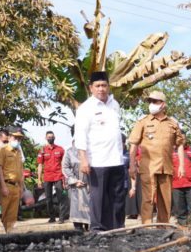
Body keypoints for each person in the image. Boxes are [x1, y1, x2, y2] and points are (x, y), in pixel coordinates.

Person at [74, 71, 126, 232]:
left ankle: (117, 228)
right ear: (91, 88)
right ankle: (97, 229)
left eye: (104, 85)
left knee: (117, 197)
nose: (101, 89)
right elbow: (80, 136)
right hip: (97, 161)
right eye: (97, 86)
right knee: (98, 197)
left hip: (116, 159)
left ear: (108, 87)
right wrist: (83, 159)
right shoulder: (85, 108)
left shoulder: (114, 104)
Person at [128, 90, 185, 225]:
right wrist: (131, 165)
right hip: (148, 167)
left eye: (154, 101)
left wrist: (182, 165)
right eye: (150, 102)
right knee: (147, 198)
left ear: (163, 104)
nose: (151, 104)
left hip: (166, 167)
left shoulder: (172, 123)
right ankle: (146, 228)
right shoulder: (142, 121)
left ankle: (163, 227)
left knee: (166, 200)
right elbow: (134, 144)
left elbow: (180, 144)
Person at [0, 127, 25, 232]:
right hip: (6, 185)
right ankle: (0, 235)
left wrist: (21, 187)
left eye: (19, 138)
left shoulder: (18, 152)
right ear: (9, 137)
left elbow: (21, 170)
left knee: (12, 215)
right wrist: (3, 185)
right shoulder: (3, 150)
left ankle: (9, 236)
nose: (17, 140)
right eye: (15, 137)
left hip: (16, 186)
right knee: (3, 213)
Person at [37, 131, 67, 223]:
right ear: (46, 138)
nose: (50, 138)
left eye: (52, 137)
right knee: (48, 199)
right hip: (47, 177)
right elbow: (40, 165)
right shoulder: (42, 150)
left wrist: (65, 177)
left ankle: (61, 218)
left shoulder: (60, 149)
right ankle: (52, 217)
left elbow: (64, 164)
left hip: (58, 176)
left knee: (60, 197)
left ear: (55, 137)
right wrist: (39, 179)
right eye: (49, 137)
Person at [62, 140, 90, 231]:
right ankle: (78, 227)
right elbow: (65, 167)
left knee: (91, 206)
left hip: (91, 185)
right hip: (76, 186)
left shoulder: (91, 150)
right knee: (76, 206)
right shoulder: (70, 152)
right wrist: (74, 180)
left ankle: (90, 225)